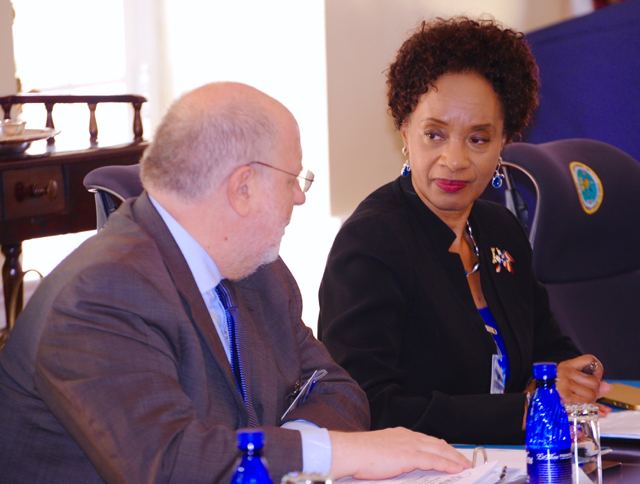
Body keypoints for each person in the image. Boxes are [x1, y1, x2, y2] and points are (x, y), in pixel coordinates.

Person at [0, 82, 470, 483]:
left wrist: (290, 450)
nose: (301, 197)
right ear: (243, 188)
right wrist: (336, 453)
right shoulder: (100, 296)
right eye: (294, 179)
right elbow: (170, 464)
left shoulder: (258, 271)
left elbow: (337, 389)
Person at [318, 17, 612, 445]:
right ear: (405, 130)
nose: (454, 160)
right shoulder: (372, 243)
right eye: (435, 134)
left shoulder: (501, 230)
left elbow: (549, 352)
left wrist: (575, 375)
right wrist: (523, 412)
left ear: (504, 143)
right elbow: (367, 405)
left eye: (478, 139)